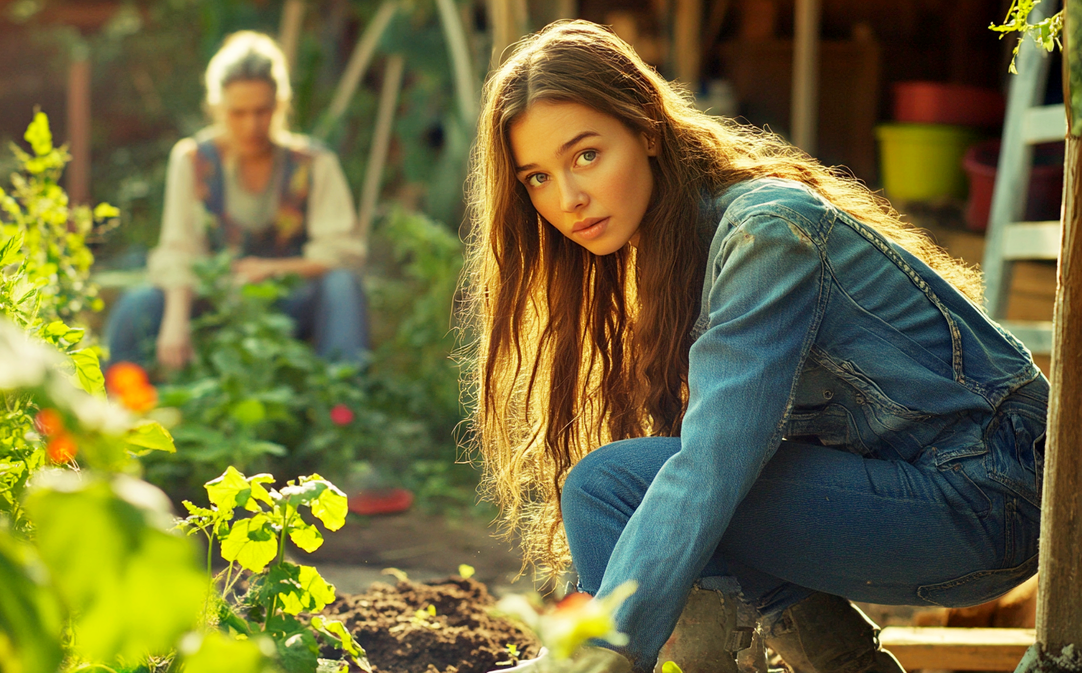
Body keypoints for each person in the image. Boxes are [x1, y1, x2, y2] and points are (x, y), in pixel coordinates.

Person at [463, 20, 1047, 673]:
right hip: (939, 500)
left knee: (619, 482)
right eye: (537, 177)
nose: (568, 198)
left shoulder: (765, 233)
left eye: (587, 155)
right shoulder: (680, 252)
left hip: (991, 495)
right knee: (626, 486)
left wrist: (599, 648)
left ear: (647, 130)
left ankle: (596, 662)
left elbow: (715, 463)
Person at [105, 31, 368, 370]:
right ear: (217, 108)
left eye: (262, 111)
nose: (251, 125)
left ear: (280, 105)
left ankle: (344, 402)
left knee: (342, 286)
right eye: (238, 113)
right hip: (215, 301)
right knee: (136, 306)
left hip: (288, 303)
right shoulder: (192, 160)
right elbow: (179, 249)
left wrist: (272, 270)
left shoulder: (314, 163)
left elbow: (342, 251)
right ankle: (116, 411)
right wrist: (175, 319)